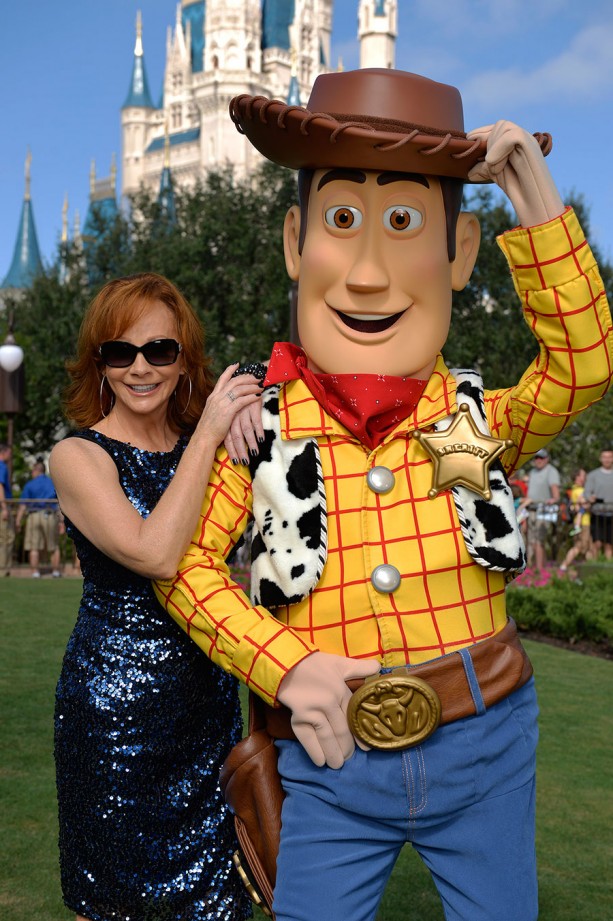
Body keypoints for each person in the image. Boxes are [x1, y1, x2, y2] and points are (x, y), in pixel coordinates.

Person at [154, 69, 613, 921]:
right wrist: (284, 665)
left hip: (485, 742)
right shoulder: (263, 426)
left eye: (402, 223)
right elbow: (181, 567)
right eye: (341, 222)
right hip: (328, 760)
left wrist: (539, 207)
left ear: (460, 252)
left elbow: (581, 368)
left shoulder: (467, 420)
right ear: (296, 242)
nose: (367, 273)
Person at [50, 272, 263, 921]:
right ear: (100, 362)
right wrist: (209, 434)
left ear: (183, 358)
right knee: (113, 900)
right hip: (113, 716)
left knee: (218, 900)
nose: (140, 367)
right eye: (121, 351)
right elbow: (154, 553)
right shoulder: (77, 455)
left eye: (159, 350)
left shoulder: (217, 441)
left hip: (207, 711)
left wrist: (253, 394)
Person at [15, 459, 63, 577]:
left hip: (34, 515)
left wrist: (18, 521)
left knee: (34, 546)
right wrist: (62, 521)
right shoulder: (52, 483)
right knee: (54, 545)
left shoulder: (30, 484)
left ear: (36, 470)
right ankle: (56, 572)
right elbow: (59, 503)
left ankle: (35, 572)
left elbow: (23, 505)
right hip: (50, 515)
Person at [523, 448, 561, 570]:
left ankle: (539, 571)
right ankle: (538, 569)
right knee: (532, 541)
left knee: (540, 541)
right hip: (531, 510)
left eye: (541, 457)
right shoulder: (532, 472)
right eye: (536, 458)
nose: (538, 460)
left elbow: (556, 496)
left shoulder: (551, 471)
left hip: (544, 509)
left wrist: (552, 500)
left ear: (547, 459)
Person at [559, 468, 592, 573]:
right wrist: (591, 500)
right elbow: (584, 503)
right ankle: (564, 566)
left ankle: (588, 570)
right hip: (583, 523)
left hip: (582, 522)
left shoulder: (575, 489)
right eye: (583, 475)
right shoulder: (580, 491)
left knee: (588, 548)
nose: (585, 477)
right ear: (577, 477)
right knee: (579, 547)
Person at [584, 448, 613, 558]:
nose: (607, 460)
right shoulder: (593, 475)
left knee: (609, 545)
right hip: (597, 513)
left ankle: (608, 572)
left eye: (609, 457)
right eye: (605, 457)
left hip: (611, 514)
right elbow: (586, 492)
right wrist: (590, 498)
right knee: (597, 543)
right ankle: (595, 570)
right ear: (601, 459)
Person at [0, 441, 14, 576]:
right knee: (6, 538)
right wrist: (4, 507)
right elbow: (0, 486)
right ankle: (3, 570)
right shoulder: (2, 467)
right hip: (2, 508)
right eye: (9, 453)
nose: (10, 455)